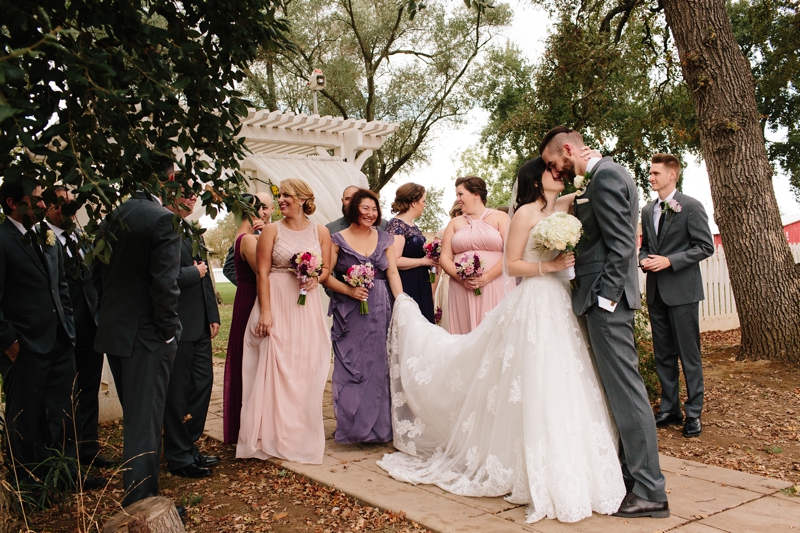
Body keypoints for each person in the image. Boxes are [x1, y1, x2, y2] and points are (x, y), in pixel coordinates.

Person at [377, 157, 626, 523]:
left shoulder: (565, 206)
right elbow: (512, 264)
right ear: (536, 181)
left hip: (561, 301)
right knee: (535, 378)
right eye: (550, 171)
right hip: (538, 298)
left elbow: (592, 186)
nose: (557, 174)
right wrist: (550, 266)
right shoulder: (525, 213)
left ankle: (578, 461)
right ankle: (530, 463)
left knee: (566, 378)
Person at [539, 126, 669, 518]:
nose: (555, 170)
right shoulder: (599, 177)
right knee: (617, 391)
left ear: (567, 150)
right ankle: (632, 476)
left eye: (553, 163)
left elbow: (621, 243)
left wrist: (606, 298)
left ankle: (650, 490)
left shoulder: (607, 176)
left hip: (606, 302)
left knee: (627, 391)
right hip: (599, 297)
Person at [93, 171, 181, 507]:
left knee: (136, 417)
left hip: (116, 332)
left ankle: (138, 494)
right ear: (166, 181)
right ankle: (141, 502)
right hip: (147, 336)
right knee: (145, 421)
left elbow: (96, 277)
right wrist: (168, 332)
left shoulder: (114, 216)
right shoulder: (162, 220)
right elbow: (165, 285)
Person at [237, 179, 332, 464]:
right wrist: (266, 312)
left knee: (306, 366)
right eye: (280, 196)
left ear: (302, 199)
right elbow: (262, 273)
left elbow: (326, 269)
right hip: (276, 302)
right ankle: (271, 436)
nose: (281, 201)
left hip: (306, 306)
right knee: (275, 366)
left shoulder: (321, 231)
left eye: (287, 196)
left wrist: (316, 276)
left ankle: (299, 434)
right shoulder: (270, 231)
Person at [0, 181, 79, 489]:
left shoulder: (46, 237)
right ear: (11, 203)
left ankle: (65, 473)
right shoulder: (3, 240)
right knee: (25, 415)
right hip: (24, 345)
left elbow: (59, 286)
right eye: (35, 200)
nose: (45, 206)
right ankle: (27, 482)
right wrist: (8, 340)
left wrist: (67, 325)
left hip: (59, 338)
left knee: (61, 411)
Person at [640, 154, 714, 438]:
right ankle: (670, 409)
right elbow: (646, 247)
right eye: (650, 172)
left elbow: (705, 247)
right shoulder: (647, 211)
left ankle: (694, 413)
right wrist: (643, 258)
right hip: (657, 292)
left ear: (673, 175)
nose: (651, 177)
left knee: (689, 355)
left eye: (656, 173)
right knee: (663, 354)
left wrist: (669, 261)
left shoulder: (692, 207)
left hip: (683, 292)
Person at [324, 189, 403, 444]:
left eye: (374, 209)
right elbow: (324, 275)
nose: (370, 214)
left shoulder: (385, 238)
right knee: (352, 367)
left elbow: (392, 274)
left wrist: (401, 303)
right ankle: (352, 428)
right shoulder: (336, 239)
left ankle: (380, 430)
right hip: (350, 311)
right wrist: (349, 289)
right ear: (353, 209)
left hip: (380, 306)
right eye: (365, 208)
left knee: (379, 365)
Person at [45, 186, 112, 468]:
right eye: (61, 204)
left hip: (91, 325)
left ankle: (89, 448)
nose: (67, 209)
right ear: (47, 208)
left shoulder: (80, 237)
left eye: (70, 203)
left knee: (89, 388)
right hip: (63, 329)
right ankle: (67, 458)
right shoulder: (43, 240)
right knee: (66, 396)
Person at [163, 190, 221, 478]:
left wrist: (212, 314)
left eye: (194, 195)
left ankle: (189, 445)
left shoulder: (190, 229)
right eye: (186, 195)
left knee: (202, 385)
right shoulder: (163, 225)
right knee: (177, 393)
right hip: (177, 323)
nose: (192, 199)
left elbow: (205, 273)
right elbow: (163, 276)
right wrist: (193, 274)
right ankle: (178, 456)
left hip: (200, 324)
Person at [222, 192, 273, 445]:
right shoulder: (250, 240)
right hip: (252, 299)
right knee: (251, 363)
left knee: (249, 362)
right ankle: (251, 426)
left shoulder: (241, 236)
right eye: (260, 208)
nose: (264, 213)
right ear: (249, 210)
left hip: (245, 296)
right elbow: (266, 273)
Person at [439, 177, 509, 334]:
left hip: (494, 284)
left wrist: (487, 277)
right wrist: (461, 278)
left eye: (460, 194)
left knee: (493, 333)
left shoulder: (500, 218)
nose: (458, 199)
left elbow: (509, 253)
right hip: (461, 287)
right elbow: (444, 258)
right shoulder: (454, 223)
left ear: (476, 194)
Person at [385, 183, 437, 323]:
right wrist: (423, 261)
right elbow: (394, 260)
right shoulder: (397, 225)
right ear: (414, 202)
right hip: (407, 282)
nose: (425, 205)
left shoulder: (412, 225)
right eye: (424, 201)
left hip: (421, 282)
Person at [222, 192, 274, 285]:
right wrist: (245, 284)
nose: (262, 212)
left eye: (264, 207)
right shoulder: (246, 237)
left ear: (272, 208)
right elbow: (229, 268)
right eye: (260, 208)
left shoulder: (272, 230)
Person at [433, 202, 462, 331]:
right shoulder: (442, 234)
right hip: (448, 278)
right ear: (457, 214)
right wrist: (432, 290)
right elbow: (436, 264)